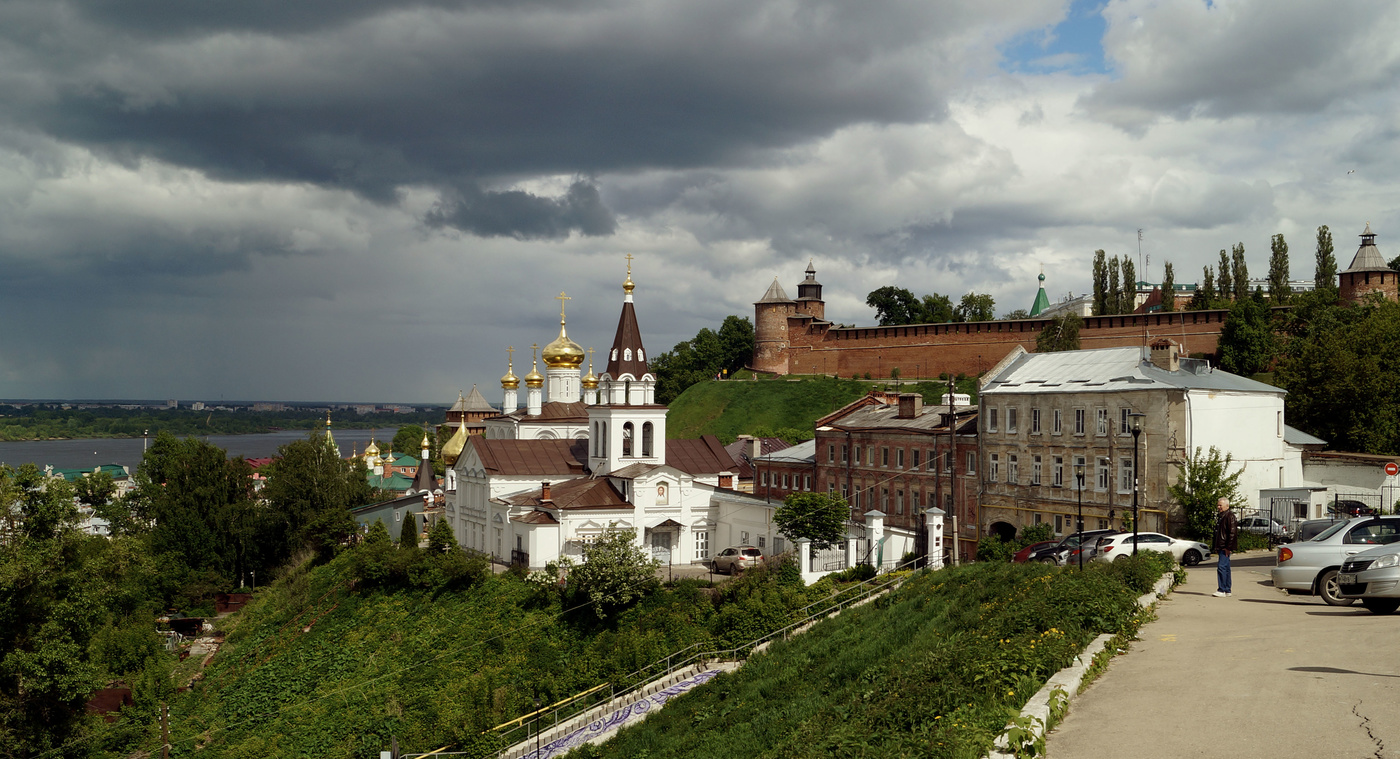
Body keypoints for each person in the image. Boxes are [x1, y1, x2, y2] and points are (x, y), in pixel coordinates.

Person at [1212, 497, 1239, 597]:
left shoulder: (1229, 516)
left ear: (1227, 506)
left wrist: (1228, 547)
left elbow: (1232, 533)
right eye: (1218, 505)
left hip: (1224, 547)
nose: (1218, 507)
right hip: (1222, 546)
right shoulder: (1222, 516)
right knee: (1226, 568)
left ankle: (1222, 589)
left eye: (1220, 505)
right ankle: (1227, 589)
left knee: (1221, 567)